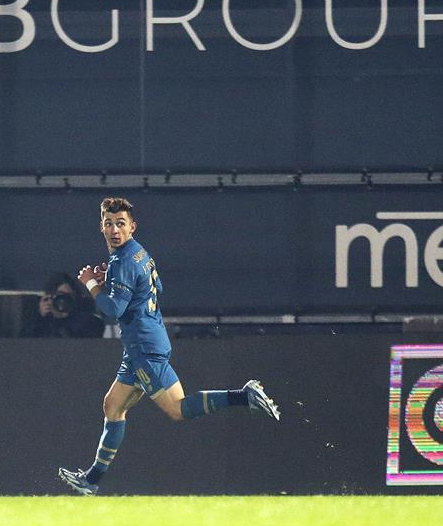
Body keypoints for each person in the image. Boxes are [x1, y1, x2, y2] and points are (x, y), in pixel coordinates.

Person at [58, 197, 280, 495]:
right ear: (101, 226)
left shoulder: (123, 260)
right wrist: (111, 281)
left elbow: (113, 310)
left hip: (143, 347)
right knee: (112, 406)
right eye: (109, 223)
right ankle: (91, 480)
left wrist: (90, 283)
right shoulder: (139, 254)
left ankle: (244, 396)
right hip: (144, 342)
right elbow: (155, 287)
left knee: (177, 410)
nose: (114, 229)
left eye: (120, 223)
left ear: (132, 226)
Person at [20, 272, 104, 338]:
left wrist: (63, 319)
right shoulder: (39, 322)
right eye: (60, 295)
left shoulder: (88, 322)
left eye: (68, 296)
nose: (63, 300)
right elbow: (25, 344)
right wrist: (42, 317)